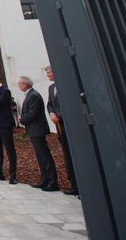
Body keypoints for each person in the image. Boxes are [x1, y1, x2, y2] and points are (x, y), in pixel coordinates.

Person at [17, 75, 59, 191]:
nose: (18, 86)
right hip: (34, 129)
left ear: (25, 84)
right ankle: (44, 179)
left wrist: (22, 119)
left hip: (37, 129)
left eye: (20, 84)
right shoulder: (30, 95)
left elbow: (33, 113)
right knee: (40, 156)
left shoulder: (33, 95)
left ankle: (52, 181)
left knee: (44, 155)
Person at [45, 65, 79, 196]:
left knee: (73, 153)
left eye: (48, 72)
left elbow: (67, 102)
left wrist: (58, 115)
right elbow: (50, 104)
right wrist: (52, 113)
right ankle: (73, 183)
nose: (47, 75)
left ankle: (79, 184)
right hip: (59, 126)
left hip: (67, 124)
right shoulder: (51, 88)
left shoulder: (65, 85)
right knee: (66, 154)